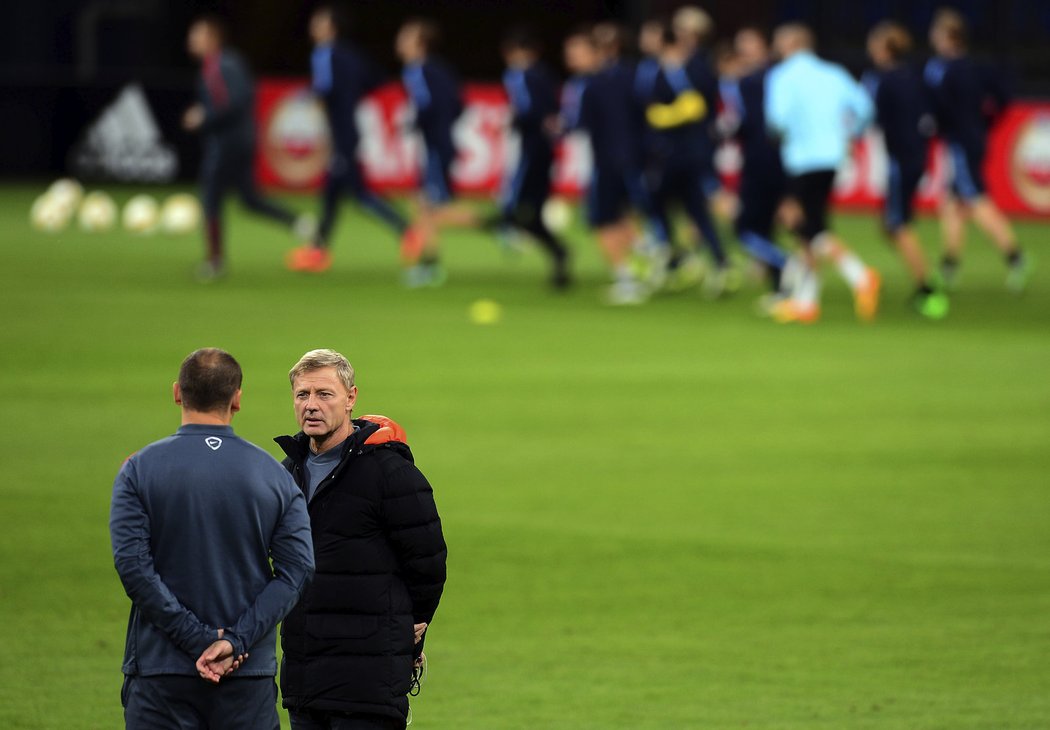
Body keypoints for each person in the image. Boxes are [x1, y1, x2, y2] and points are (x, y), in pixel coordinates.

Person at [110, 348, 315, 729]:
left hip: (161, 672)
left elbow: (133, 566)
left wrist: (196, 638)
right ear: (237, 398)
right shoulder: (274, 476)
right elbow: (297, 570)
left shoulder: (138, 470)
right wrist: (235, 641)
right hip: (246, 678)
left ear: (177, 393)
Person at [275, 349, 447, 730]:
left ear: (351, 398)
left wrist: (414, 623)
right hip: (304, 681)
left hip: (368, 684)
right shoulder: (286, 475)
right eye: (303, 395)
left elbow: (428, 562)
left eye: (325, 394)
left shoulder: (390, 473)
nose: (312, 405)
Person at [765, 23, 882, 324]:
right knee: (810, 224)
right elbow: (865, 107)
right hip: (832, 156)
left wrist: (782, 137)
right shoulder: (834, 73)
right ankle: (806, 300)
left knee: (799, 222)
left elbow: (776, 120)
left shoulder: (782, 76)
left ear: (790, 44)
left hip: (801, 157)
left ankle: (859, 275)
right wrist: (848, 133)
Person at [182, 15, 311, 281]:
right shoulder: (214, 66)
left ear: (212, 39)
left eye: (197, 35)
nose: (192, 41)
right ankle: (299, 223)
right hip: (238, 140)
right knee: (249, 199)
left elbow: (238, 100)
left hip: (229, 142)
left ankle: (215, 261)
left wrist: (204, 116)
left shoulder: (223, 65)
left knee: (210, 199)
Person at [286, 4, 410, 274]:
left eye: (318, 22)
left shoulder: (324, 53)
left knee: (360, 195)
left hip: (342, 133)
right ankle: (317, 250)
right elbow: (376, 79)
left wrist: (306, 94)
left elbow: (325, 86)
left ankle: (407, 231)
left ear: (331, 28)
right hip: (348, 129)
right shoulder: (351, 55)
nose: (313, 27)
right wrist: (350, 95)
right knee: (331, 194)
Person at [924, 7, 1031, 293]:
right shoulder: (974, 66)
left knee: (975, 200)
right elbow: (1004, 97)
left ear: (948, 35)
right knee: (951, 204)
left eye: (936, 32)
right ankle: (949, 266)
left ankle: (1016, 257)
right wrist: (985, 123)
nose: (932, 37)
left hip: (961, 142)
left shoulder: (944, 68)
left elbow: (938, 107)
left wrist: (945, 125)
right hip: (970, 138)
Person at [637, 19, 735, 298]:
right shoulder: (653, 69)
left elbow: (701, 104)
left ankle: (700, 261)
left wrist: (668, 115)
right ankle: (690, 259)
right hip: (669, 152)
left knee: (679, 205)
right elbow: (649, 107)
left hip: (686, 153)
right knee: (672, 205)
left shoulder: (693, 67)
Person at [864, 22, 950, 319]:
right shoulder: (917, 75)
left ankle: (929, 291)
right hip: (917, 155)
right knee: (890, 225)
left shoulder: (883, 79)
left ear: (884, 49)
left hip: (901, 158)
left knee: (898, 224)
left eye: (874, 45)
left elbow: (867, 114)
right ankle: (924, 275)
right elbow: (934, 112)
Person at [560, 27, 649, 305]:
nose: (572, 58)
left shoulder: (587, 84)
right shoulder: (627, 75)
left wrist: (556, 127)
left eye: (578, 52)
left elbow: (577, 126)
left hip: (605, 161)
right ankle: (651, 252)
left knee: (601, 220)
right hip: (630, 159)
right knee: (621, 216)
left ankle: (628, 278)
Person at [397, 18, 479, 288]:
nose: (400, 41)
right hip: (441, 143)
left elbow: (426, 106)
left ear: (420, 44)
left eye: (406, 37)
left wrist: (413, 124)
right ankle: (429, 264)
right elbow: (458, 104)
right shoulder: (442, 69)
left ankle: (501, 225)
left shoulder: (417, 70)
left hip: (434, 146)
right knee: (423, 205)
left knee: (429, 209)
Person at [492, 27, 572, 289]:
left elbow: (529, 111)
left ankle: (502, 228)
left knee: (512, 212)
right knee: (532, 214)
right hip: (544, 150)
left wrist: (512, 121)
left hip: (531, 150)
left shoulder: (519, 75)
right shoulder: (546, 74)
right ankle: (559, 256)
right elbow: (551, 112)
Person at [721, 27, 790, 294]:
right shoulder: (774, 77)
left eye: (749, 45)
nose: (745, 51)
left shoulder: (751, 82)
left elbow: (746, 124)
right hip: (772, 160)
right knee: (766, 225)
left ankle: (784, 265)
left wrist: (724, 131)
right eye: (741, 46)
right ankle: (782, 286)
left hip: (765, 162)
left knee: (746, 226)